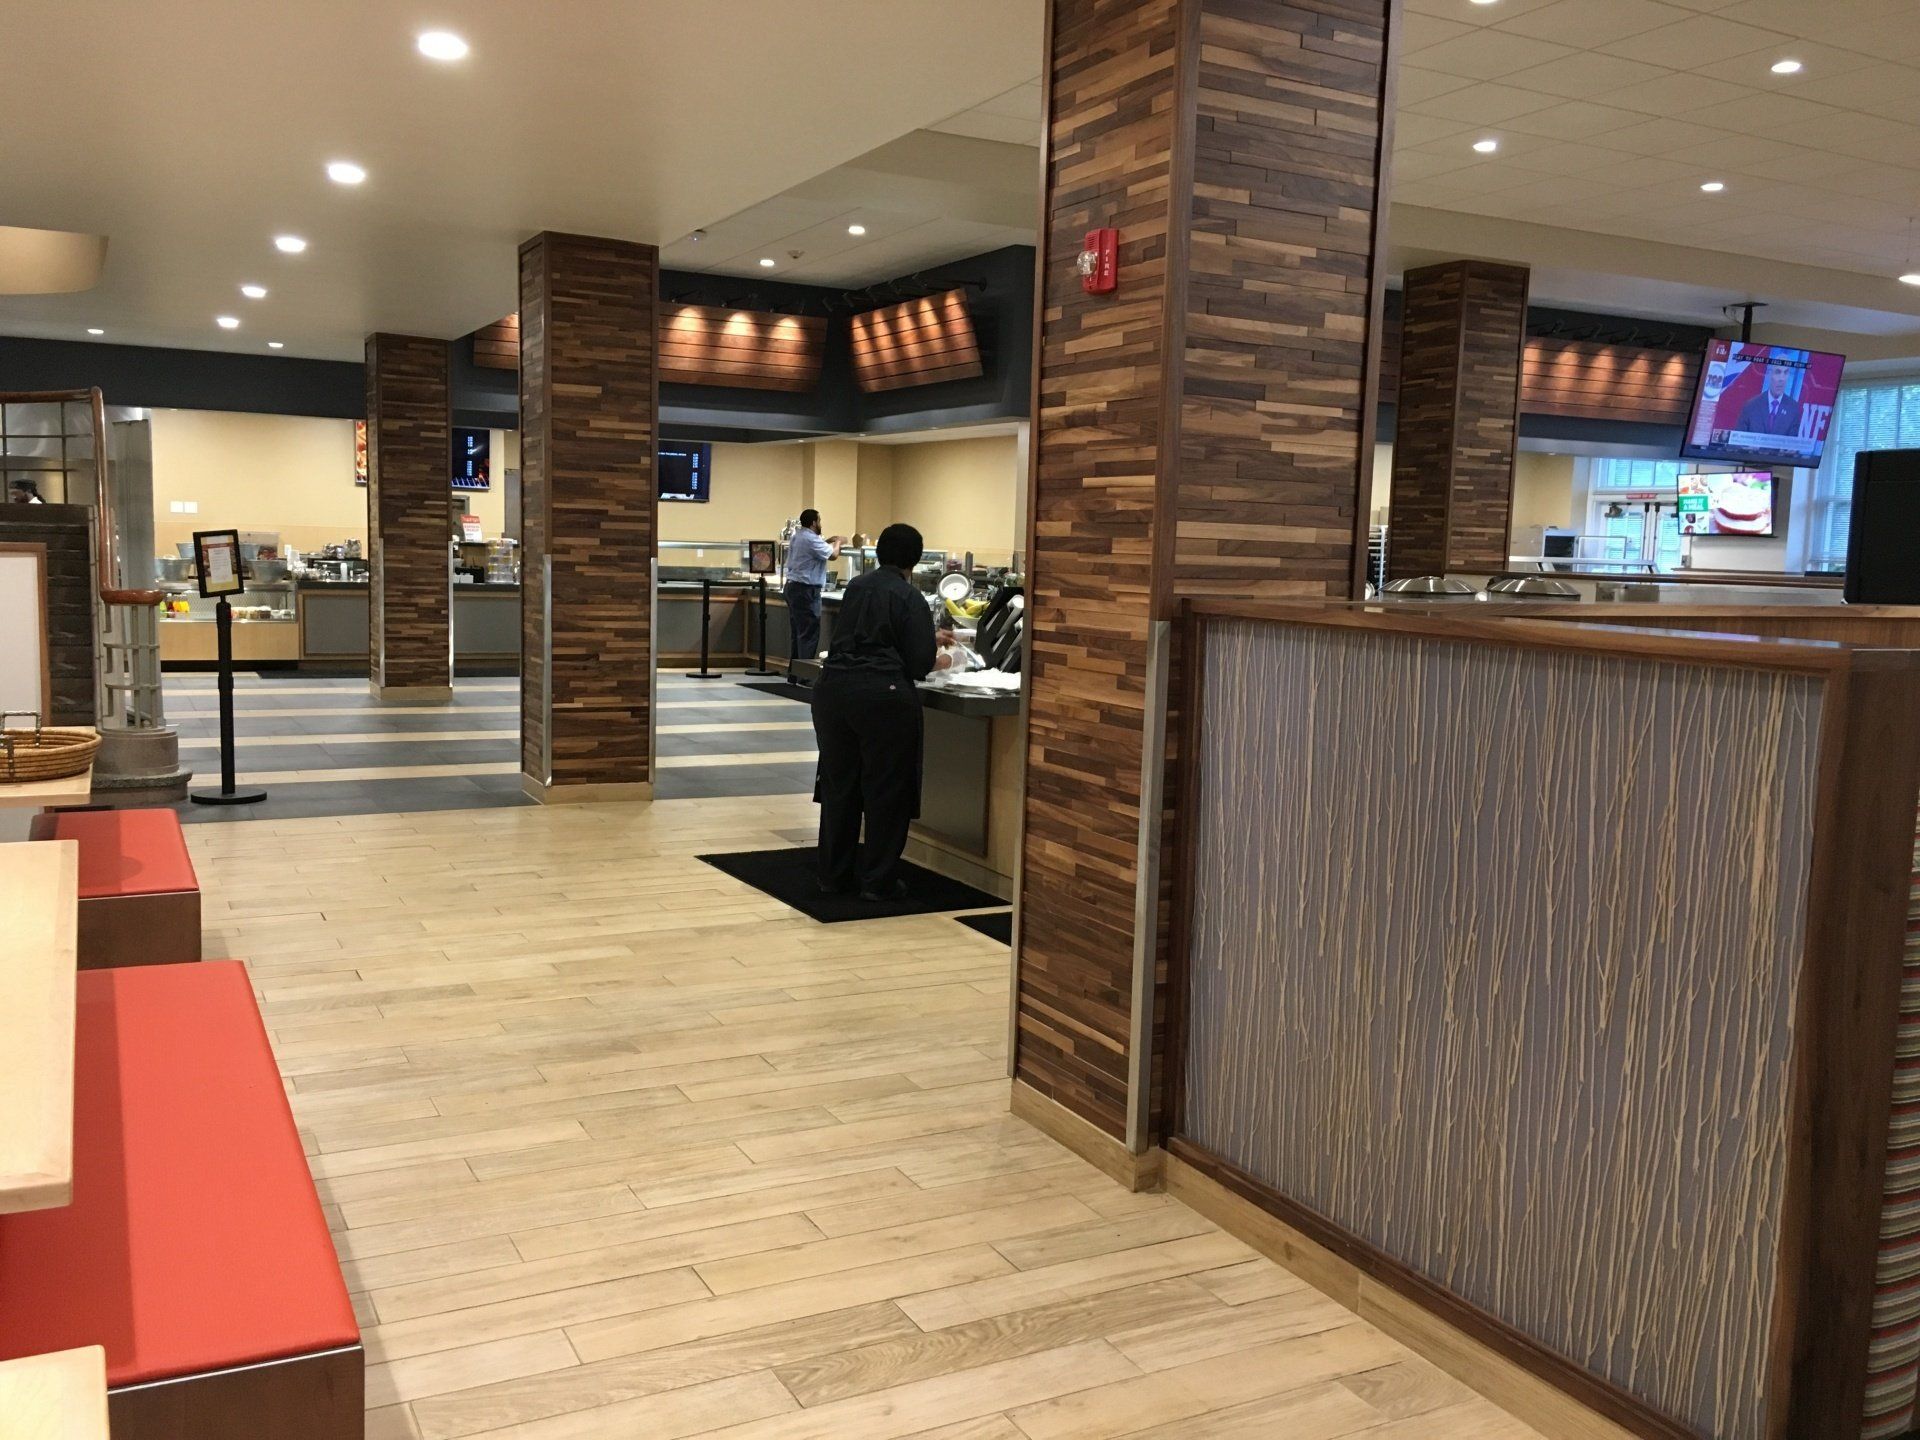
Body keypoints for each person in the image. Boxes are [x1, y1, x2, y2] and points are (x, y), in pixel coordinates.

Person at [812, 522, 955, 902]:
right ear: (917, 559)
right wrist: (940, 657)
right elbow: (917, 663)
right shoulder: (910, 597)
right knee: (886, 790)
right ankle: (877, 880)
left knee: (839, 786)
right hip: (882, 697)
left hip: (832, 691)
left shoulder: (857, 588)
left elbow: (867, 632)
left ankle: (832, 876)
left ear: (877, 555)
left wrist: (924, 637)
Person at [783, 509, 842, 681]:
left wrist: (827, 540)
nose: (821, 523)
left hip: (793, 588)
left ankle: (794, 674)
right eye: (820, 520)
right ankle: (805, 676)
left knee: (798, 633)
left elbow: (816, 547)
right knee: (809, 633)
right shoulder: (810, 539)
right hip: (806, 590)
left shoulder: (798, 536)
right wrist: (838, 542)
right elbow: (833, 555)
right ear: (814, 523)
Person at [1737, 361, 1802, 437]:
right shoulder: (1751, 406)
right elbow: (1736, 440)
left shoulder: (1793, 408)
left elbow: (1792, 445)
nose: (1782, 379)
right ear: (1769, 374)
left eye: (1786, 373)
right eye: (1778, 372)